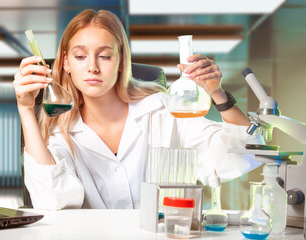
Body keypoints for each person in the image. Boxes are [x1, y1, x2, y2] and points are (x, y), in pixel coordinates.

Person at [13, 9, 262, 210]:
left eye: (104, 56)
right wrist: (25, 109)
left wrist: (217, 94)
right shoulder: (61, 132)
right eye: (80, 57)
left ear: (121, 61)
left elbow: (240, 156)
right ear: (66, 63)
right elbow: (53, 202)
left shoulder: (164, 110)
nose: (92, 67)